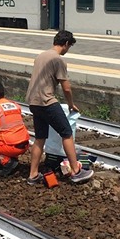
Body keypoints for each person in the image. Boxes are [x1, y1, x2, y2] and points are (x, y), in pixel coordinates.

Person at [25, 30, 93, 184]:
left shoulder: (41, 55)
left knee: (40, 137)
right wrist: (70, 104)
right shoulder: (58, 60)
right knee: (66, 132)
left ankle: (33, 175)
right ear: (67, 44)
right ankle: (76, 171)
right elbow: (66, 88)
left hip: (33, 102)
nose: (68, 50)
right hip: (46, 101)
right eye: (69, 47)